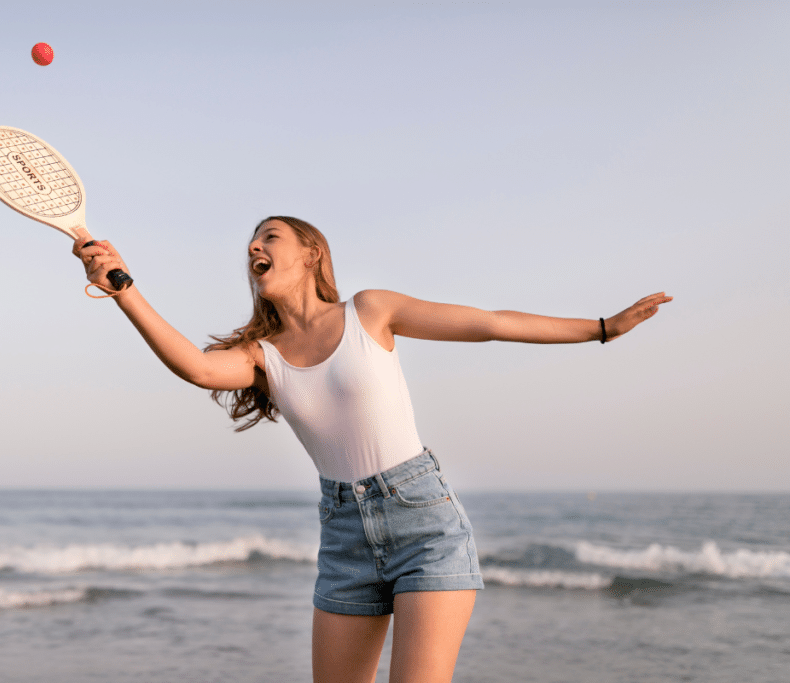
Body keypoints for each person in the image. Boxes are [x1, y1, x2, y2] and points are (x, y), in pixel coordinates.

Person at [74, 216, 672, 683]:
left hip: (425, 525)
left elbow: (489, 321)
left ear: (312, 253)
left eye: (270, 236)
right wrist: (122, 287)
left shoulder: (369, 310)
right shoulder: (265, 357)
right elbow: (198, 368)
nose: (255, 247)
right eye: (251, 243)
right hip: (344, 540)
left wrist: (600, 327)